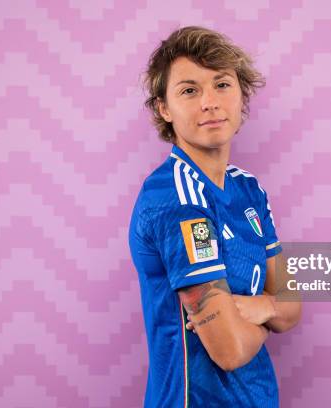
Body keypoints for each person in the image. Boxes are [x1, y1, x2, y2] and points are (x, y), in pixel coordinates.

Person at [129, 26, 301, 408]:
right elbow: (230, 349)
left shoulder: (248, 189)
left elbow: (292, 305)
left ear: (242, 95)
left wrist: (264, 307)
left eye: (222, 84)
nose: (210, 102)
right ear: (164, 108)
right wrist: (267, 310)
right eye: (189, 90)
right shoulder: (176, 200)